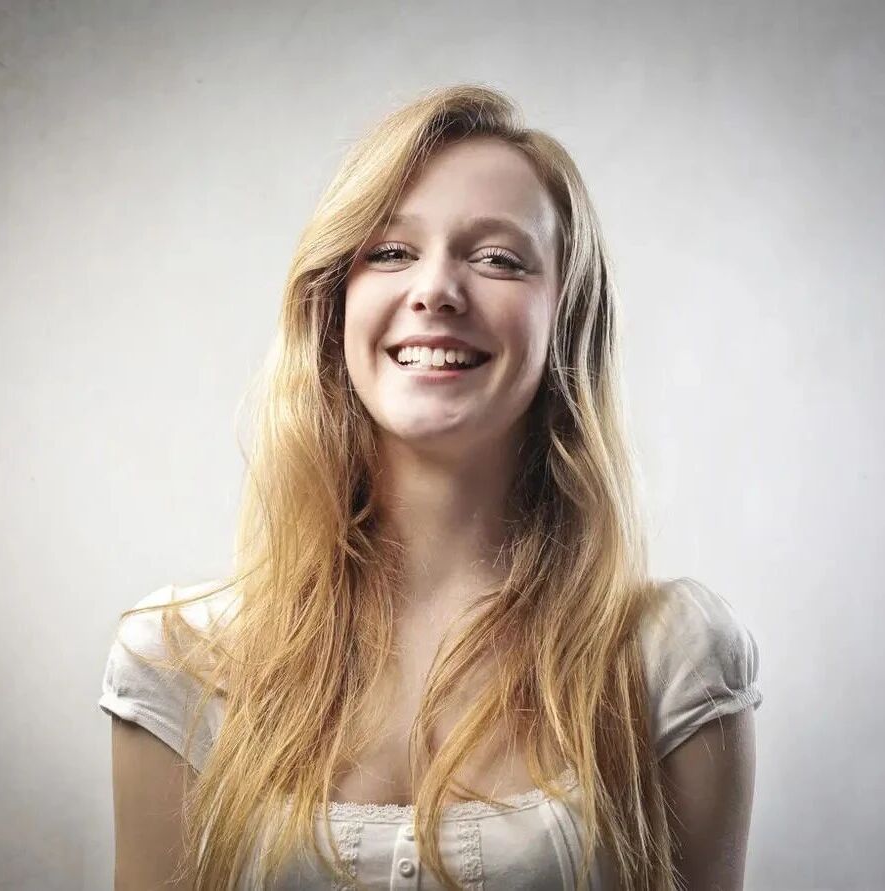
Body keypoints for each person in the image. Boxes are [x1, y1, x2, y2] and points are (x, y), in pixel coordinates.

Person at [99, 84, 762, 891]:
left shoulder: (671, 660)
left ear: (565, 319)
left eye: (498, 258)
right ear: (333, 306)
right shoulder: (179, 661)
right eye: (389, 251)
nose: (436, 289)